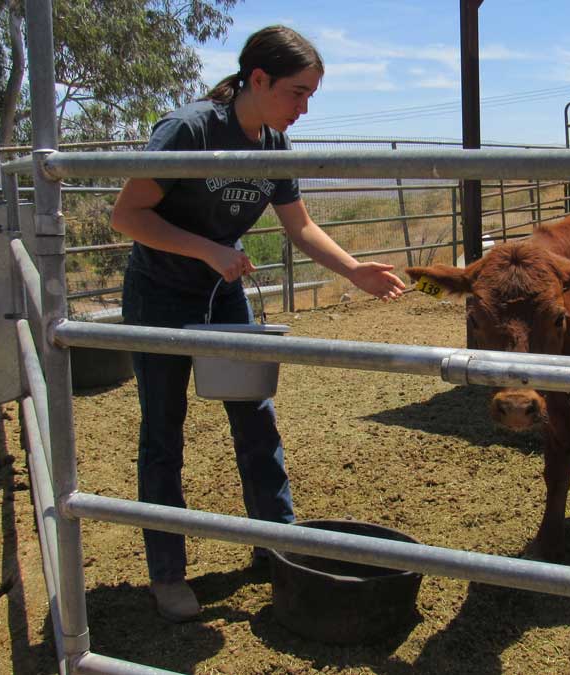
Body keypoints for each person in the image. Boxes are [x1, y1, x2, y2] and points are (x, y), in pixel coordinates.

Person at [110, 25, 405, 623]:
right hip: (161, 294)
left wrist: (354, 271)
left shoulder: (272, 143)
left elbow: (299, 227)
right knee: (164, 433)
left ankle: (278, 547)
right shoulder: (190, 131)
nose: (303, 109)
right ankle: (168, 575)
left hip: (220, 293)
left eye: (310, 97)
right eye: (298, 93)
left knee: (255, 418)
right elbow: (128, 215)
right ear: (259, 79)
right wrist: (208, 249)